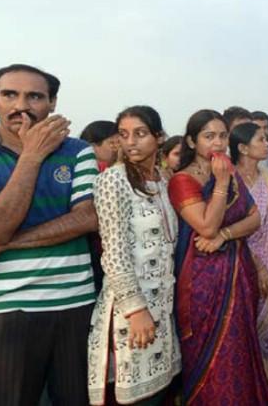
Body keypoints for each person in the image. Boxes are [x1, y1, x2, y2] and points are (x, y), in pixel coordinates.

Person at [0, 64, 98, 405]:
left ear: (51, 103)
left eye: (34, 96)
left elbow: (87, 219)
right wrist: (32, 155)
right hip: (1, 308)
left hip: (75, 303)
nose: (22, 105)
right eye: (10, 94)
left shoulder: (77, 151)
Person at [167, 109, 268, 405]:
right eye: (208, 136)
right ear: (192, 141)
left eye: (222, 135)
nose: (217, 143)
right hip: (202, 283)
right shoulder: (182, 181)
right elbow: (205, 224)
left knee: (239, 347)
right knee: (211, 352)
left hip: (238, 273)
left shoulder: (227, 172)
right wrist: (221, 184)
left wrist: (225, 236)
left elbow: (255, 219)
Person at [88, 106, 180, 405]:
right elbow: (114, 252)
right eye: (124, 135)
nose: (131, 142)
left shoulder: (164, 181)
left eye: (140, 134)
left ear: (158, 137)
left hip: (163, 302)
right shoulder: (114, 180)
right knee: (134, 395)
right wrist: (136, 310)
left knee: (160, 388)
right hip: (131, 308)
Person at [229, 122, 268, 403]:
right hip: (244, 261)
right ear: (243, 148)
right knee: (249, 329)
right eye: (261, 139)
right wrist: (258, 266)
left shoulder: (266, 175)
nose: (267, 144)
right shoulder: (231, 180)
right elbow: (232, 227)